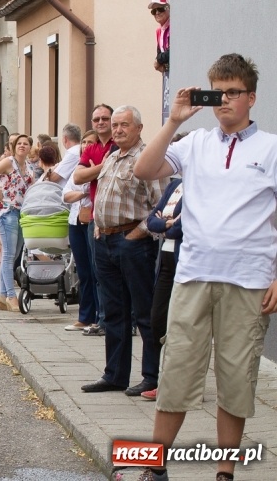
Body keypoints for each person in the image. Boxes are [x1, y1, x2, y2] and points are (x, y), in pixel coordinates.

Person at [133, 54, 277, 481]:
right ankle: (153, 468)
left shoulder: (270, 148)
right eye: (219, 92)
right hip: (194, 274)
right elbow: (145, 169)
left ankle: (225, 472)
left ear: (251, 97)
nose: (225, 101)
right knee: (176, 371)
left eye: (234, 92)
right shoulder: (195, 144)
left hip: (248, 279)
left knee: (237, 379)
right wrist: (175, 120)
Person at [80, 105, 166, 399]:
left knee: (144, 312)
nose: (116, 130)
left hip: (133, 242)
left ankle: (151, 377)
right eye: (114, 125)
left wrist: (136, 234)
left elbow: (161, 205)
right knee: (114, 312)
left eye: (123, 125)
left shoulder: (147, 159)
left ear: (139, 128)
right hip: (104, 241)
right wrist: (97, 226)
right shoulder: (110, 158)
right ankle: (115, 375)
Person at [0, 134, 35, 311]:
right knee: (8, 255)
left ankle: (2, 295)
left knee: (14, 254)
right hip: (8, 212)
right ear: (13, 146)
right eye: (19, 143)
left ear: (30, 148)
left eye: (26, 144)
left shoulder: (29, 166)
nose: (22, 146)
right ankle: (11, 296)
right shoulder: (9, 162)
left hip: (22, 213)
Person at [141, 166, 183, 402]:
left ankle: (175, 384)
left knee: (180, 324)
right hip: (165, 259)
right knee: (157, 321)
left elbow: (182, 227)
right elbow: (151, 220)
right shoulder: (174, 186)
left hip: (184, 260)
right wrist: (165, 224)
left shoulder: (201, 189)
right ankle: (159, 379)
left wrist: (166, 224)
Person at [73, 104, 115, 337]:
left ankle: (121, 320)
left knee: (116, 274)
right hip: (95, 217)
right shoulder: (92, 148)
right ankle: (102, 319)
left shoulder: (118, 145)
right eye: (96, 119)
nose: (100, 122)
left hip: (117, 217)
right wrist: (102, 167)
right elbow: (78, 177)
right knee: (98, 271)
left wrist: (94, 171)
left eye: (105, 118)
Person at [62, 130, 99, 332]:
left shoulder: (101, 167)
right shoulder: (79, 168)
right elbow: (65, 195)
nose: (85, 146)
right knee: (83, 272)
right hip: (76, 221)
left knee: (97, 272)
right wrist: (85, 192)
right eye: (84, 142)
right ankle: (85, 317)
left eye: (90, 142)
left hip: (93, 221)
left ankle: (100, 317)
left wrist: (81, 193)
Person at [149, 0, 170, 73]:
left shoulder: (174, 27)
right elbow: (159, 52)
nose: (157, 13)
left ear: (168, 9)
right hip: (167, 72)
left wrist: (158, 60)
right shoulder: (159, 31)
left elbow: (172, 52)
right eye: (154, 11)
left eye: (160, 9)